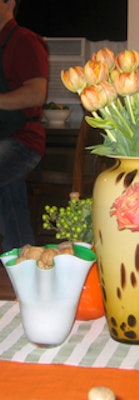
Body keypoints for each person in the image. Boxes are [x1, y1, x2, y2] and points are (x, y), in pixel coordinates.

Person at [0, 0, 48, 252]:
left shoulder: (25, 42)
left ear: (10, 3)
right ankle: (23, 265)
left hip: (22, 141)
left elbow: (35, 95)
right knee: (12, 206)